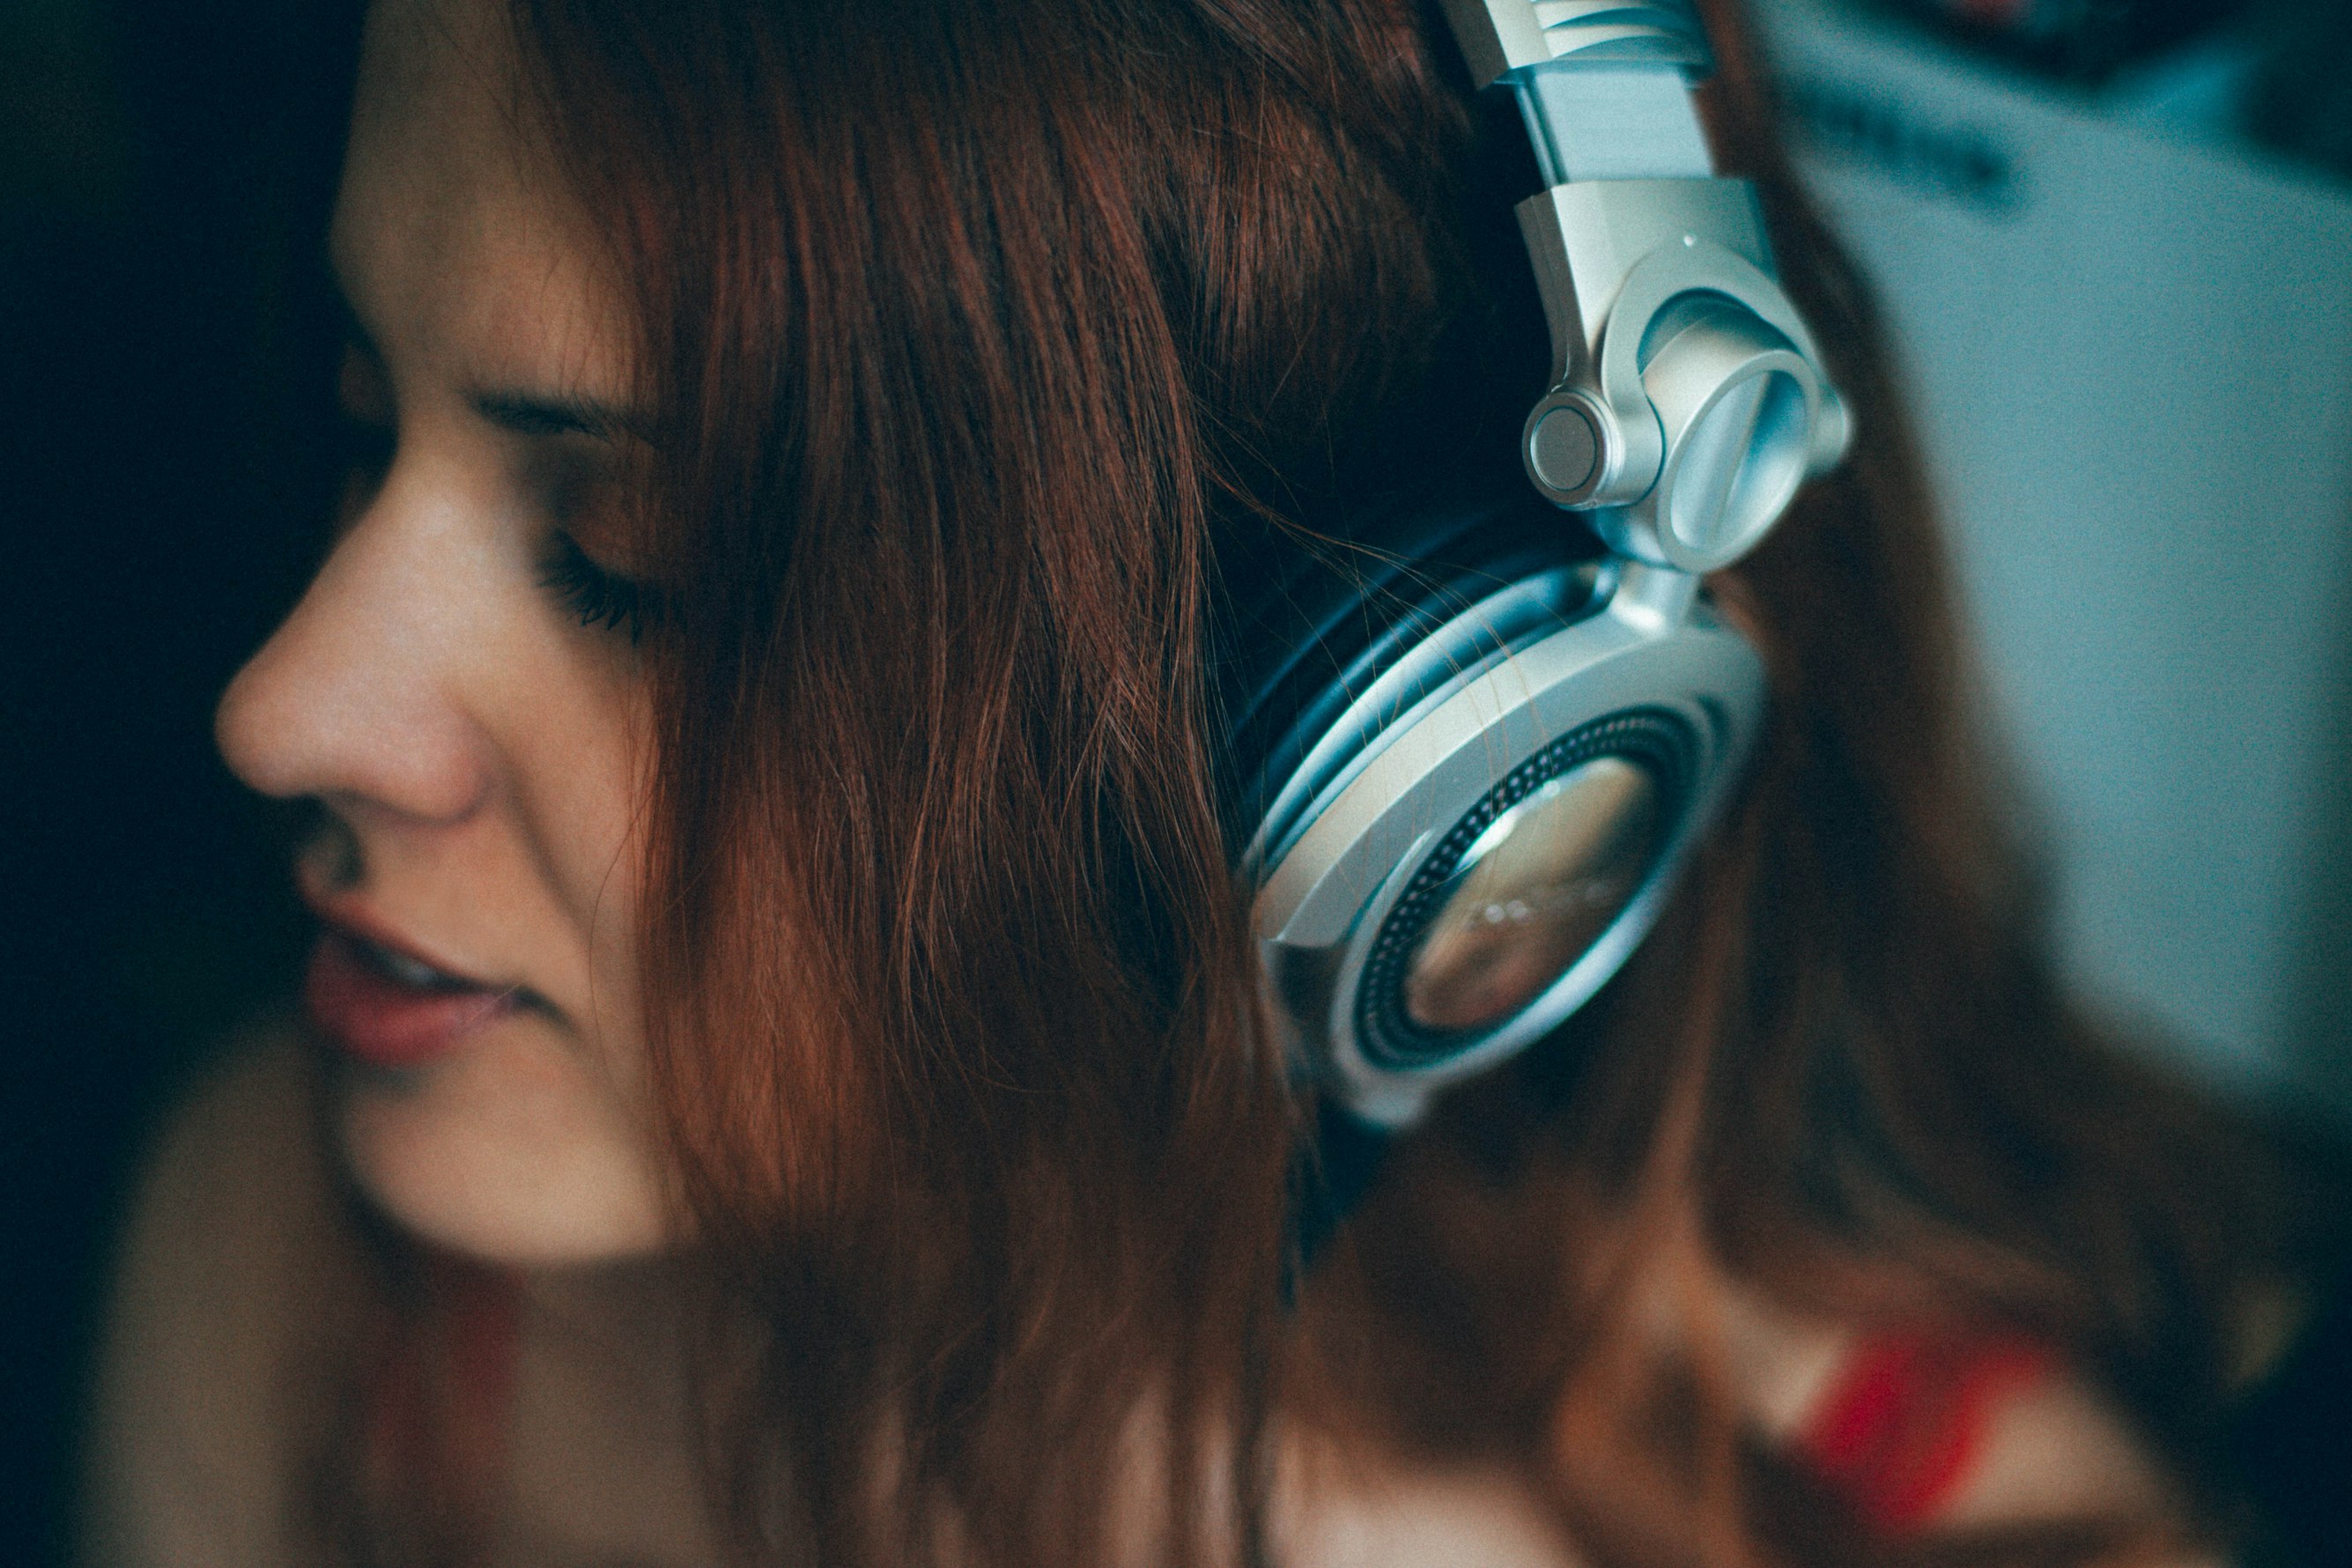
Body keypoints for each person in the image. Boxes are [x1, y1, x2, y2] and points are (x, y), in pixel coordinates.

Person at [81, 0, 2330, 1564]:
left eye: (637, 567)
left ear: (1339, 756)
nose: (283, 710)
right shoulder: (303, 1279)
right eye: (372, 426)